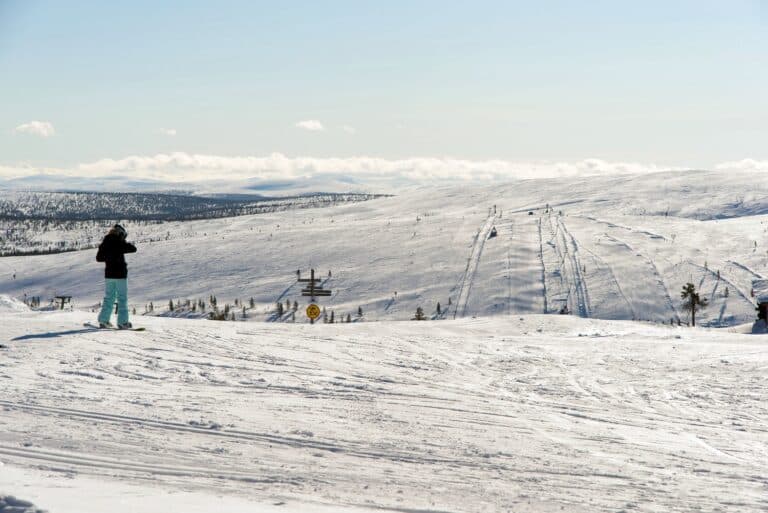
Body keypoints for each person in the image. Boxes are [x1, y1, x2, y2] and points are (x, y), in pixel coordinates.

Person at [96, 224, 137, 328]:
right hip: (120, 274)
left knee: (109, 297)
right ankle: (122, 322)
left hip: (109, 274)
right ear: (121, 233)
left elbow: (99, 258)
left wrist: (109, 256)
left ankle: (104, 320)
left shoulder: (105, 242)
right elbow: (133, 248)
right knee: (122, 298)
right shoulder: (119, 242)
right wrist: (122, 241)